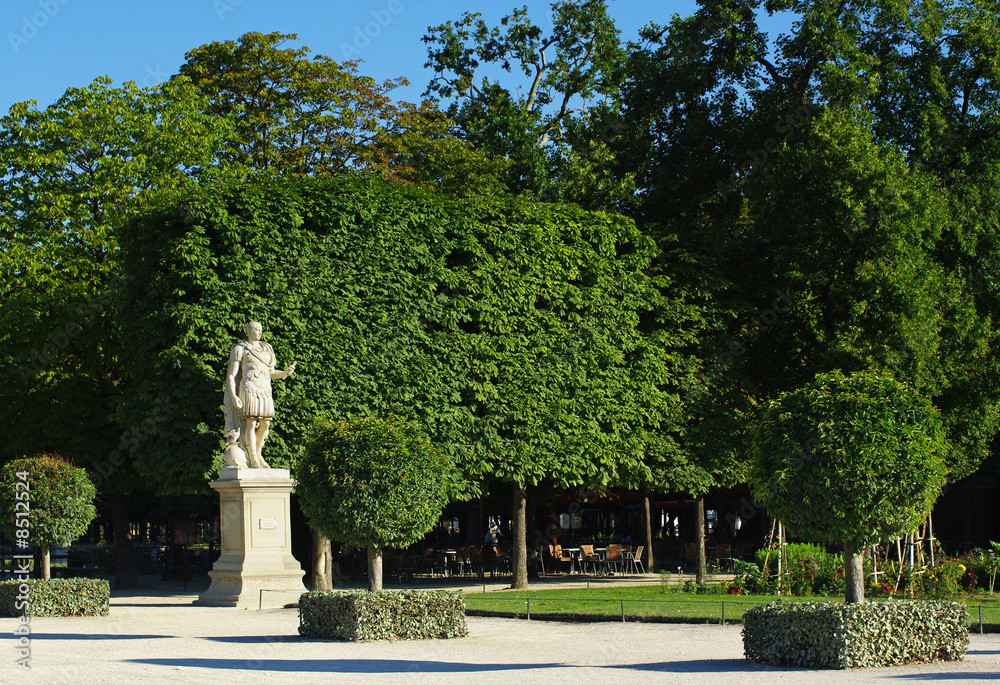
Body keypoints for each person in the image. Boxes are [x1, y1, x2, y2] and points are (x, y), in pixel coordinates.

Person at [224, 322, 296, 468]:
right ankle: (253, 458)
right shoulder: (240, 349)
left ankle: (258, 452)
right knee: (250, 422)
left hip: (265, 389)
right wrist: (233, 396)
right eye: (256, 330)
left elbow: (271, 372)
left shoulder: (267, 348)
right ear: (249, 332)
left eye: (260, 330)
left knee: (265, 423)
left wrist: (284, 373)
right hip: (249, 387)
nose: (259, 333)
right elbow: (232, 375)